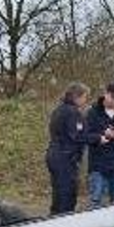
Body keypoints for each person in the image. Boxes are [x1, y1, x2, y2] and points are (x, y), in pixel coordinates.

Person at [45, 82, 104, 215]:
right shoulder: (72, 112)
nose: (85, 101)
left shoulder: (59, 110)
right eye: (84, 97)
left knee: (58, 195)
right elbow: (77, 136)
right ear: (77, 97)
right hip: (64, 158)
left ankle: (54, 221)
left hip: (55, 155)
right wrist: (99, 138)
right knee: (67, 197)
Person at [84, 82, 114, 208]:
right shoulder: (92, 112)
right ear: (105, 94)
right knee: (96, 201)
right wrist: (101, 136)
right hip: (98, 166)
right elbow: (85, 136)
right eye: (112, 97)